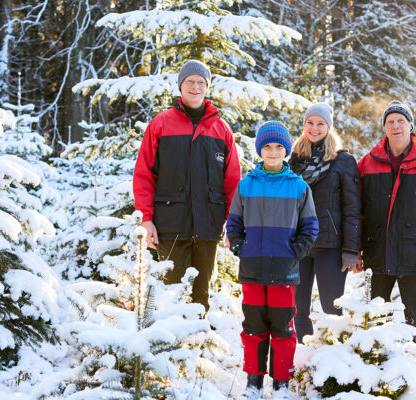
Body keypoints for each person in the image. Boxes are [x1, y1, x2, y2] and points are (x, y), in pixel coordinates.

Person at [133, 60, 241, 313]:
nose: (195, 87)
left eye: (201, 82)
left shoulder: (220, 129)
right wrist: (146, 219)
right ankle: (171, 348)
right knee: (171, 293)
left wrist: (233, 223)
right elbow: (144, 174)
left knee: (201, 293)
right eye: (190, 81)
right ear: (181, 86)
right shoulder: (160, 124)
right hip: (170, 224)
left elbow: (232, 181)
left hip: (208, 225)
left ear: (207, 87)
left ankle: (198, 345)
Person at [227, 121, 318, 399]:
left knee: (282, 327)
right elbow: (234, 223)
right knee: (253, 326)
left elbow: (310, 226)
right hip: (253, 268)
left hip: (284, 270)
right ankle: (253, 383)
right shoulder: (246, 185)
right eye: (267, 146)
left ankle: (281, 384)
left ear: (287, 150)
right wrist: (241, 245)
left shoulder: (298, 187)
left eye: (279, 146)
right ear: (259, 150)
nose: (273, 151)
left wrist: (297, 250)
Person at [354, 100, 416, 350]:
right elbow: (356, 212)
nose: (395, 125)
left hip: (415, 258)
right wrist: (354, 249)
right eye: (390, 122)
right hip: (376, 256)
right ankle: (372, 375)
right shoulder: (368, 163)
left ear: (410, 125)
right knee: (374, 323)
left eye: (401, 121)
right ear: (385, 128)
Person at [289, 103, 361, 343]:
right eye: (310, 122)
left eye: (320, 123)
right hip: (299, 244)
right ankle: (303, 357)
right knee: (298, 309)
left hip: (330, 245)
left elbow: (352, 207)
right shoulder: (295, 159)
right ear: (304, 125)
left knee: (333, 308)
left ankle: (336, 361)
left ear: (329, 127)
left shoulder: (343, 160)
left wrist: (351, 249)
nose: (314, 128)